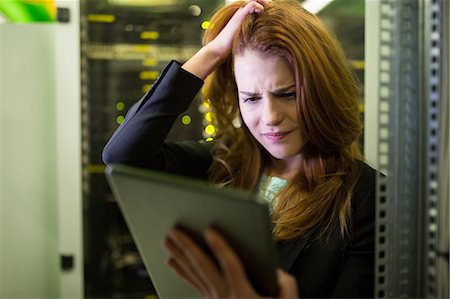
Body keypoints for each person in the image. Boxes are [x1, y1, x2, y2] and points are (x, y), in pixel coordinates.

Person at [102, 0, 377, 298]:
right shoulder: (222, 161)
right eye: (251, 98)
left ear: (322, 90)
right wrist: (212, 53)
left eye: (287, 94)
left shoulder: (366, 197)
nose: (270, 117)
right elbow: (122, 158)